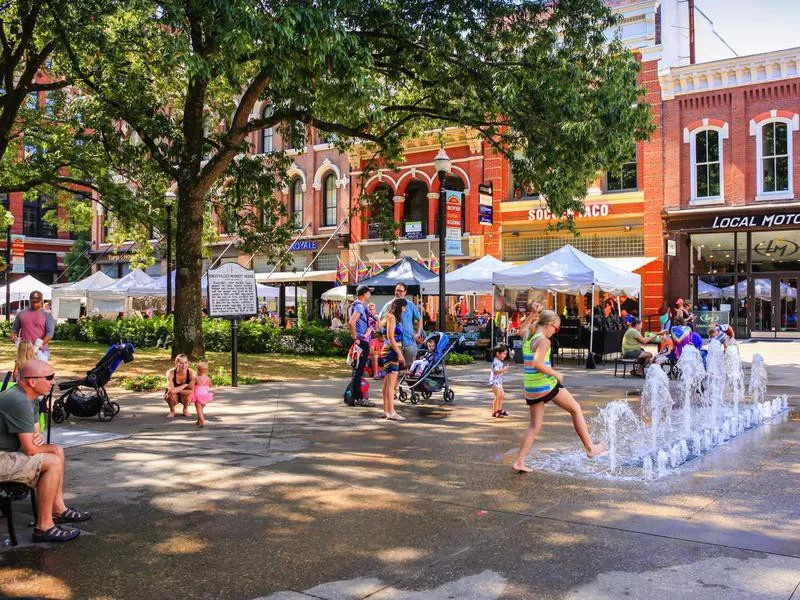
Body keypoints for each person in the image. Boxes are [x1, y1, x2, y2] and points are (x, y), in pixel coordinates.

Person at [0, 359, 91, 542]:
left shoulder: (29, 398)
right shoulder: (18, 400)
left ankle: (58, 509)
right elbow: (31, 449)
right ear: (32, 381)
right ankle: (44, 527)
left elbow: (35, 435)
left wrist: (40, 440)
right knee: (52, 461)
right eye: (49, 378)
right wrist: (39, 443)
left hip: (7, 452)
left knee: (56, 451)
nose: (53, 382)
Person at [512, 311, 605, 473]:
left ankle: (519, 461)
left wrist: (533, 313)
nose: (556, 331)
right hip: (545, 385)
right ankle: (591, 449)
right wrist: (556, 374)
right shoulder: (544, 341)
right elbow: (537, 364)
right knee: (575, 409)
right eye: (556, 328)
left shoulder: (529, 336)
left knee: (534, 425)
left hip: (531, 387)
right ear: (548, 325)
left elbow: (522, 328)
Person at [345, 285, 375, 407]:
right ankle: (359, 398)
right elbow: (351, 322)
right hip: (362, 341)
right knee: (359, 370)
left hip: (360, 341)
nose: (370, 295)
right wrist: (356, 338)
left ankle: (352, 397)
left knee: (357, 370)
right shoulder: (359, 306)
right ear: (364, 294)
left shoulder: (354, 305)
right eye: (369, 292)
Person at [379, 298, 406, 421]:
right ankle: (391, 411)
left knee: (386, 383)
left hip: (387, 350)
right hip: (392, 351)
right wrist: (399, 353)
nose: (404, 310)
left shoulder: (386, 316)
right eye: (404, 307)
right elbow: (391, 337)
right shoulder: (392, 317)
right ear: (399, 307)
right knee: (391, 384)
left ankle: (387, 410)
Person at [11, 291, 55, 361]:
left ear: (41, 301)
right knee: (23, 371)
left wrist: (40, 344)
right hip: (24, 351)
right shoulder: (21, 314)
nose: (35, 304)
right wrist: (14, 336)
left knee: (40, 371)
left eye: (37, 302)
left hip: (41, 351)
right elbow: (14, 330)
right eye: (33, 302)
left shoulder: (47, 314)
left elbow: (50, 333)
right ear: (30, 300)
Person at [165, 354, 195, 418]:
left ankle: (185, 410)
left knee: (189, 394)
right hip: (173, 396)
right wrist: (185, 384)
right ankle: (172, 411)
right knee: (170, 394)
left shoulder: (192, 374)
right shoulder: (171, 373)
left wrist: (176, 390)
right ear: (176, 363)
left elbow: (191, 391)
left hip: (184, 396)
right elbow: (171, 391)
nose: (184, 365)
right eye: (181, 363)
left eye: (186, 363)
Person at [489, 343, 509, 418]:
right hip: (494, 382)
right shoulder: (495, 362)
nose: (505, 355)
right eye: (504, 354)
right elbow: (496, 371)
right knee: (497, 396)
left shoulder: (499, 361)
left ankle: (499, 409)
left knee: (501, 395)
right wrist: (504, 370)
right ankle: (495, 411)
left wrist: (503, 370)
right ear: (498, 353)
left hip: (499, 382)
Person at [192, 362, 214, 427]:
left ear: (198, 370)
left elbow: (191, 386)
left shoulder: (197, 378)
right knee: (201, 409)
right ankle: (199, 421)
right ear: (207, 370)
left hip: (198, 396)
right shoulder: (208, 378)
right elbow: (211, 386)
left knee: (198, 410)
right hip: (205, 396)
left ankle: (202, 421)